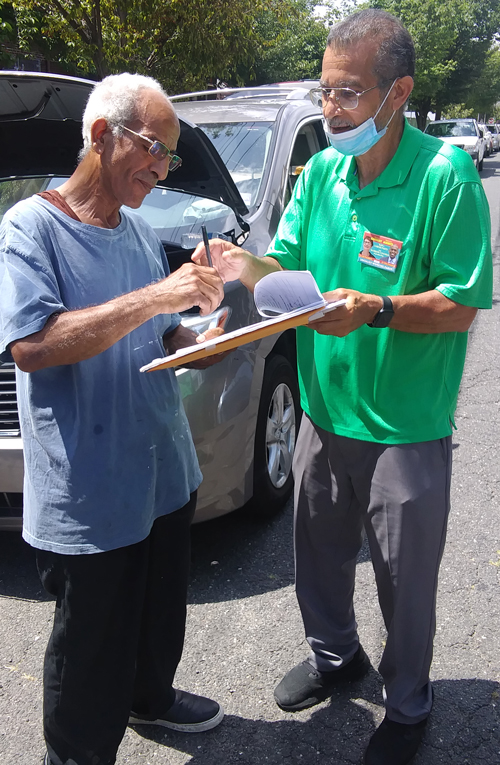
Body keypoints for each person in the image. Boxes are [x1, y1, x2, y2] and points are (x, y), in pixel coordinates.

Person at [193, 9, 492, 765]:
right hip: (323, 414)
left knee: (404, 581)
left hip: (404, 425)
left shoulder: (443, 176)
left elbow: (461, 303)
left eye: (349, 94)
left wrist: (378, 309)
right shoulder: (321, 172)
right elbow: (283, 262)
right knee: (318, 554)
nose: (331, 110)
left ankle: (409, 700)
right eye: (326, 92)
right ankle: (336, 657)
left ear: (400, 93)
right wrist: (236, 268)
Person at [0, 73, 228, 765]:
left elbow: (146, 331)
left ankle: (150, 696)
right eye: (154, 149)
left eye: (170, 157)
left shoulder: (135, 228)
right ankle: (75, 754)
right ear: (101, 135)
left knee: (159, 612)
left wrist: (193, 337)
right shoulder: (28, 228)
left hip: (161, 463)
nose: (161, 169)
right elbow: (34, 345)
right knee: (90, 641)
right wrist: (158, 296)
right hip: (90, 488)